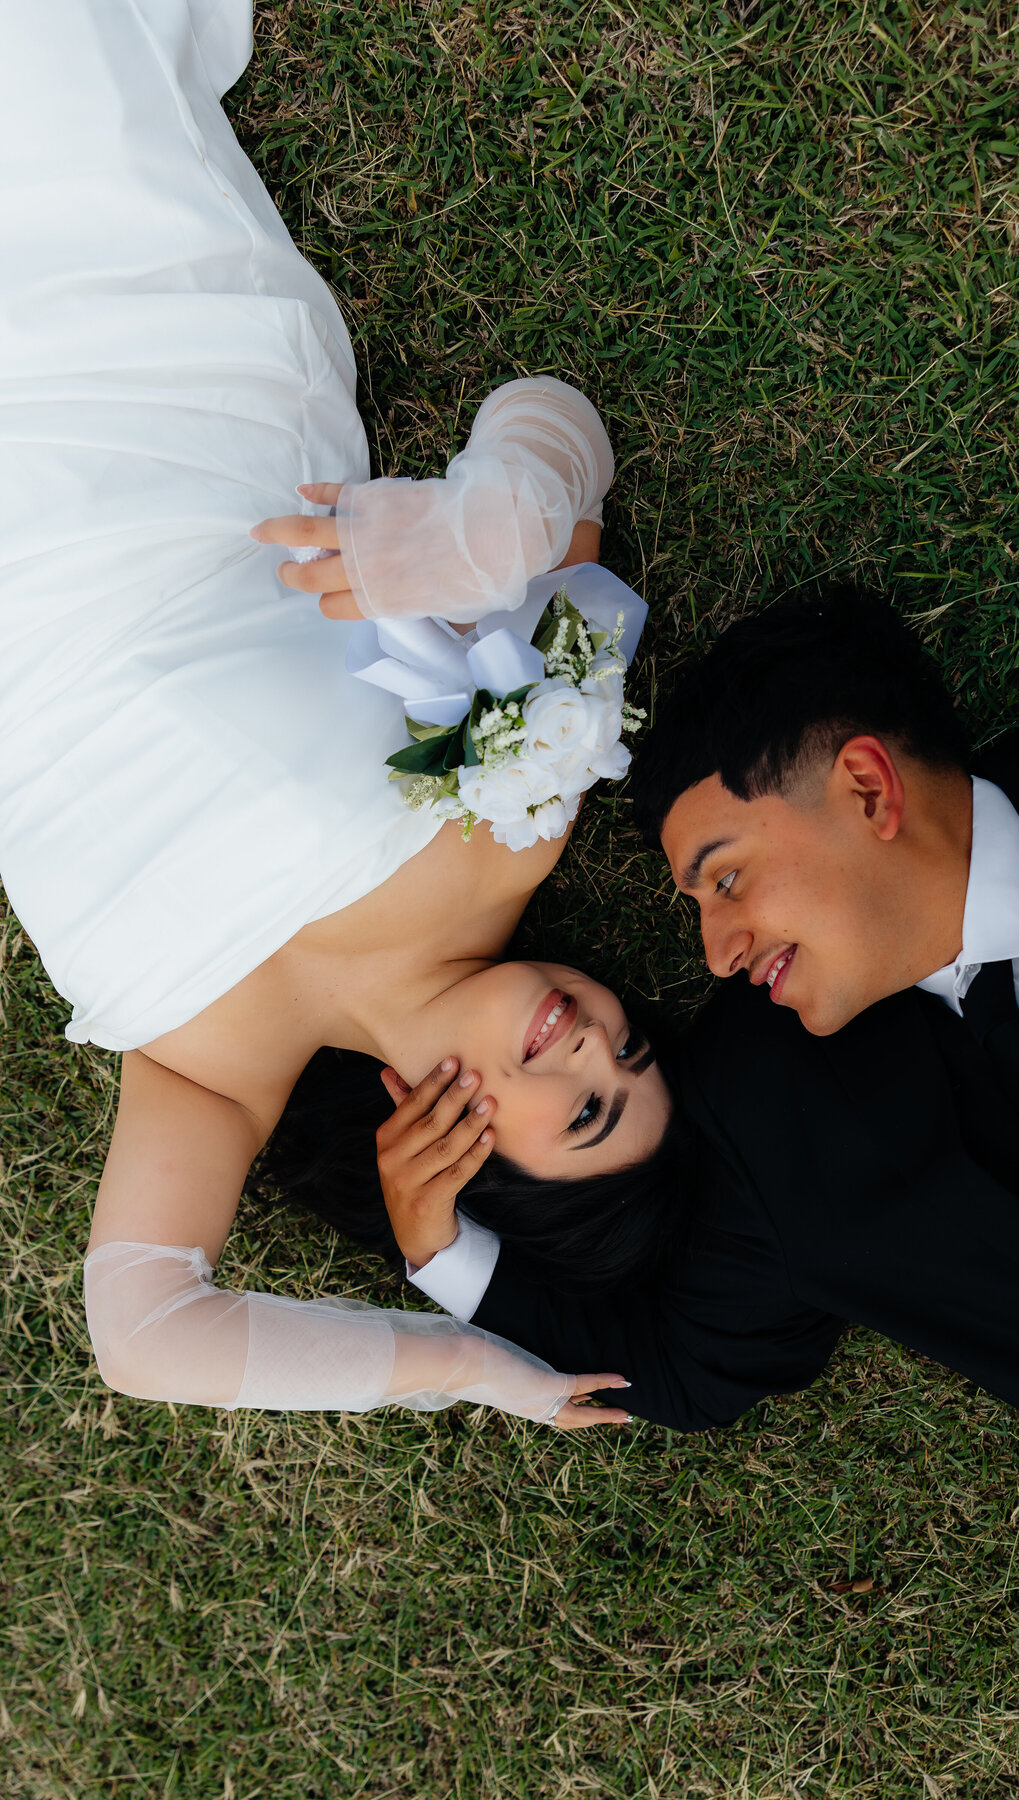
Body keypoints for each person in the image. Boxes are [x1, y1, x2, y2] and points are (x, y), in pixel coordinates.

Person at [0, 0, 672, 1426]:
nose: (594, 1041)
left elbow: (144, 1336)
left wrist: (469, 1363)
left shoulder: (213, 1079)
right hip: (136, 371)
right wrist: (493, 523)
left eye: (588, 1110)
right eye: (636, 1049)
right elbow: (567, 430)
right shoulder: (521, 802)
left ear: (478, 1170)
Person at [388, 588, 1019, 1620]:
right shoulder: (769, 1100)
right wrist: (439, 1246)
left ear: (866, 787)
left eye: (725, 880)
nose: (717, 953)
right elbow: (685, 1369)